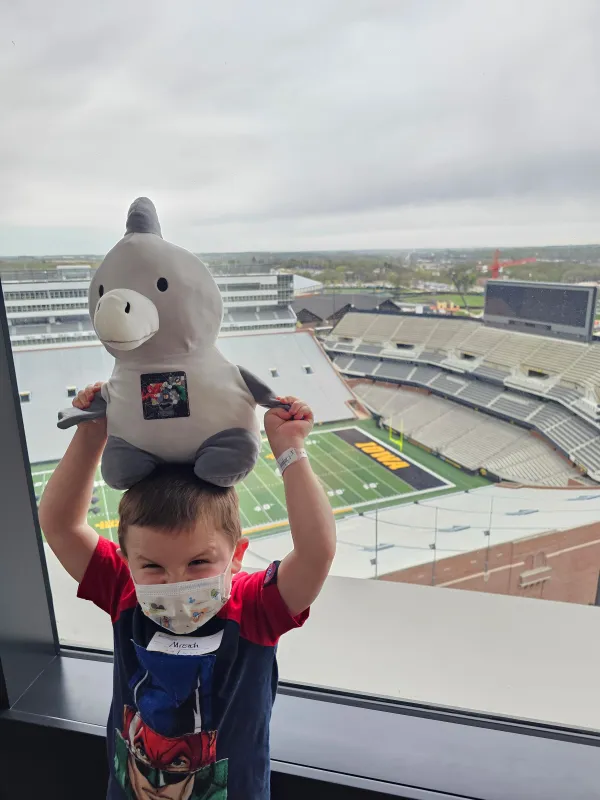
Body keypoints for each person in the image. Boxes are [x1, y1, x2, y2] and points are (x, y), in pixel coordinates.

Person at [39, 383, 336, 800]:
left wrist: (289, 451)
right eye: (154, 566)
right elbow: (60, 524)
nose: (177, 582)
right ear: (127, 561)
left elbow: (316, 553)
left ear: (237, 557)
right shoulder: (125, 591)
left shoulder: (253, 608)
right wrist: (92, 433)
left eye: (199, 563)